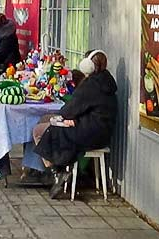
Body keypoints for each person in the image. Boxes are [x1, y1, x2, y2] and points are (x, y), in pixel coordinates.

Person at [33, 50, 118, 199]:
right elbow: (87, 108)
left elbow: (70, 109)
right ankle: (55, 169)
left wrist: (68, 118)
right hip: (101, 132)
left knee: (40, 129)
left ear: (88, 65)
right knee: (47, 119)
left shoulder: (91, 84)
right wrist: (72, 118)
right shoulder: (106, 81)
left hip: (87, 133)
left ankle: (55, 171)